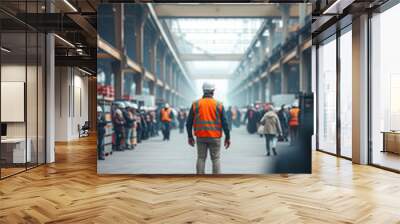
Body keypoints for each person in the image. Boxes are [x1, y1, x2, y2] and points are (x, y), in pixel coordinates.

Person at [186, 82, 231, 174]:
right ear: (213, 91)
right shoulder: (219, 104)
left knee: (201, 158)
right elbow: (225, 123)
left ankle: (200, 179)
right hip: (215, 137)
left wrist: (190, 136)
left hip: (201, 136)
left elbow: (188, 123)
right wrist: (228, 137)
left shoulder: (196, 104)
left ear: (203, 90)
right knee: (216, 158)